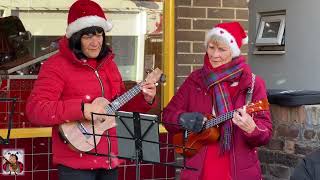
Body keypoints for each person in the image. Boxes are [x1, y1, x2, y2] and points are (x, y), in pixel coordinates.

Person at [26, 0, 157, 180]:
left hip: (110, 161)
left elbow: (118, 108)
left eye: (99, 35)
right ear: (75, 38)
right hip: (76, 165)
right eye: (88, 37)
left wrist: (145, 99)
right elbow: (36, 110)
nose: (96, 42)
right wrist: (82, 109)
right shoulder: (56, 66)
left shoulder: (109, 65)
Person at [162, 22, 272, 180]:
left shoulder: (253, 83)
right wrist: (182, 119)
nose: (214, 55)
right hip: (200, 170)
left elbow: (265, 133)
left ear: (233, 52)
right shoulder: (195, 80)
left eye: (221, 49)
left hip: (238, 172)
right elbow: (168, 116)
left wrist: (252, 128)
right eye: (211, 47)